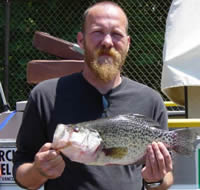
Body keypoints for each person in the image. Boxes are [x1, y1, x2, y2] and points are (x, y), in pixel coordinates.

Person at [13, 1, 173, 190]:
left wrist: (155, 179)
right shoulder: (46, 96)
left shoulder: (151, 100)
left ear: (127, 44)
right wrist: (38, 171)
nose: (107, 41)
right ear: (81, 40)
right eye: (98, 32)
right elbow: (22, 174)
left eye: (116, 34)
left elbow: (166, 179)